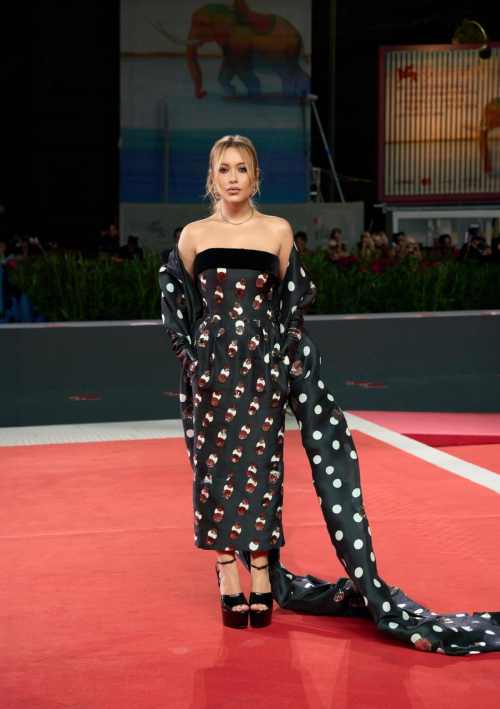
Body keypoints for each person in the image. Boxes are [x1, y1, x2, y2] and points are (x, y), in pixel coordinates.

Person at [158, 134, 500, 653]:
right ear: (212, 178)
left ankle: (261, 572)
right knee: (216, 467)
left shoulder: (277, 231)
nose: (232, 177)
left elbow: (292, 306)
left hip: (261, 372)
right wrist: (192, 360)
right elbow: (174, 299)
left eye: (242, 169)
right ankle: (227, 568)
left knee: (262, 467)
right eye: (223, 169)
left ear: (255, 178)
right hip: (213, 376)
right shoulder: (193, 236)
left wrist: (282, 352)